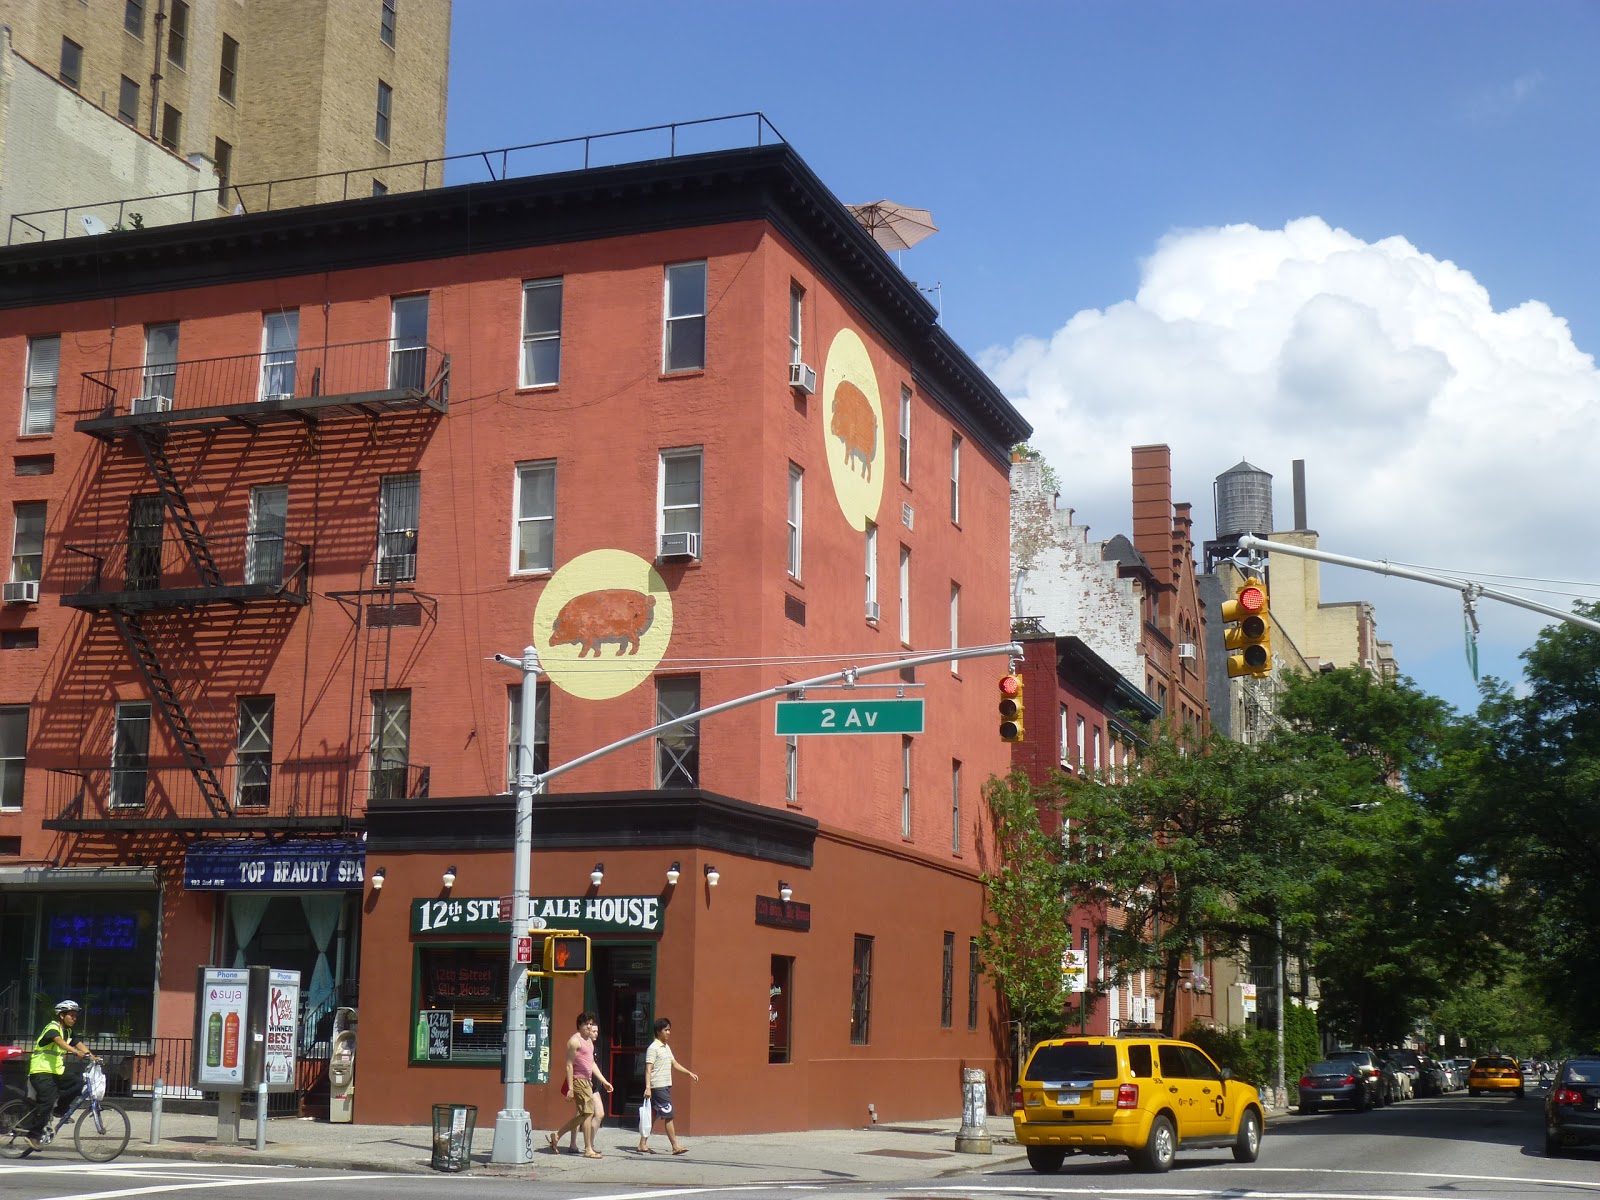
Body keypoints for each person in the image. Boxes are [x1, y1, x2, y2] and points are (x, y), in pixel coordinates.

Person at [25, 1000, 97, 1148]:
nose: (74, 1018)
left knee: (79, 1082)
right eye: (71, 1015)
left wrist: (94, 1058)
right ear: (62, 1015)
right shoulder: (53, 1027)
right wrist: (76, 1052)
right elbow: (59, 1042)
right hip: (41, 1072)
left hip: (56, 1072)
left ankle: (60, 1110)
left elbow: (79, 1045)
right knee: (47, 1102)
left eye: (76, 1016)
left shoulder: (69, 1032)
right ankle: (33, 1135)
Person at [547, 1012, 611, 1159]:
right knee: (587, 1113)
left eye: (590, 1023)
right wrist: (570, 1087)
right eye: (586, 1024)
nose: (589, 1026)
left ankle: (557, 1135)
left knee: (585, 1114)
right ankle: (588, 1149)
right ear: (580, 1025)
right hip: (579, 1081)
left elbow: (591, 1064)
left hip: (588, 1081)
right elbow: (569, 1065)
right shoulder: (574, 1041)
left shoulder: (589, 1041)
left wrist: (604, 1081)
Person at [639, 1016, 698, 1155]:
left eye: (669, 1030)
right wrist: (648, 1087)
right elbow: (648, 1068)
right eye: (666, 1030)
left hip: (665, 1086)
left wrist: (688, 1073)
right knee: (669, 1115)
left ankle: (642, 1144)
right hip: (658, 1086)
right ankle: (675, 1146)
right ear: (659, 1031)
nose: (669, 1033)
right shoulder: (653, 1048)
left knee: (653, 1115)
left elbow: (674, 1063)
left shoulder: (666, 1047)